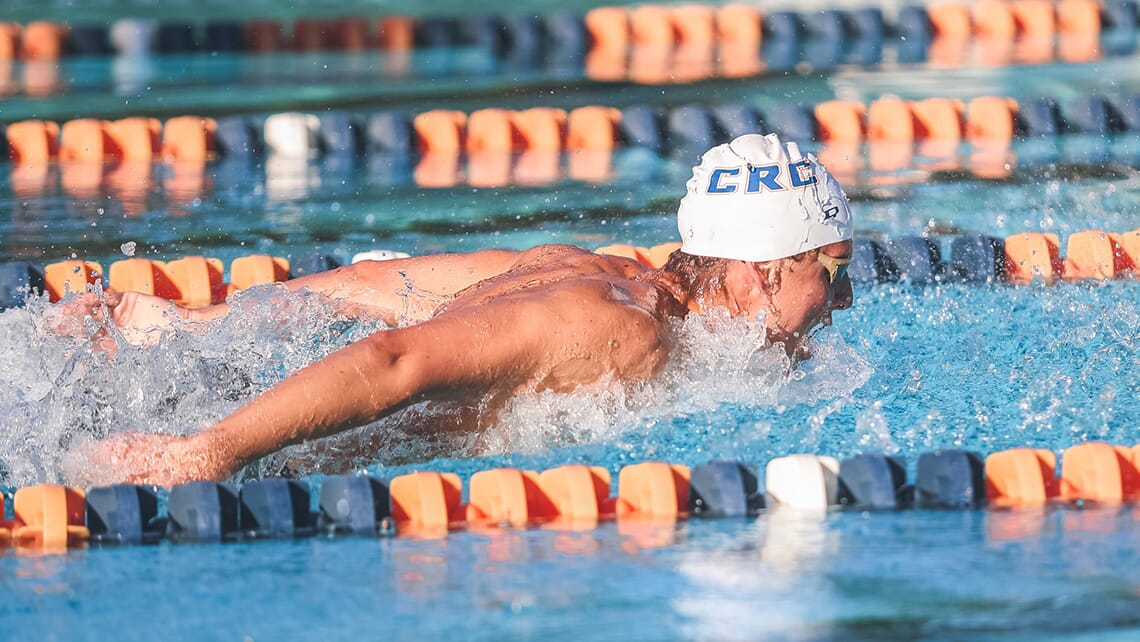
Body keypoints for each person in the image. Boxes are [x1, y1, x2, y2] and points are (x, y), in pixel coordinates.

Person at [62, 133, 854, 486]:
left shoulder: (593, 267)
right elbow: (396, 360)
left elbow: (373, 287)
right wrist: (208, 454)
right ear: (759, 272)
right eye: (831, 267)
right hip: (271, 444)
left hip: (239, 398)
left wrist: (184, 323)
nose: (844, 296)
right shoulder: (621, 331)